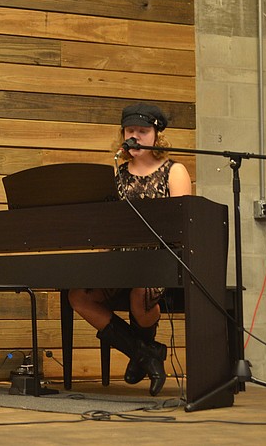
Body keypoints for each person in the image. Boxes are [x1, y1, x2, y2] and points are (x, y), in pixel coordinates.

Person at [68, 102, 191, 396]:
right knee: (79, 296)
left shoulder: (174, 171)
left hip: (159, 262)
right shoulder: (117, 175)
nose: (135, 136)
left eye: (143, 131)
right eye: (130, 130)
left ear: (157, 135)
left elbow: (184, 227)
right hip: (119, 262)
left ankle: (144, 354)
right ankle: (146, 353)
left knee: (141, 293)